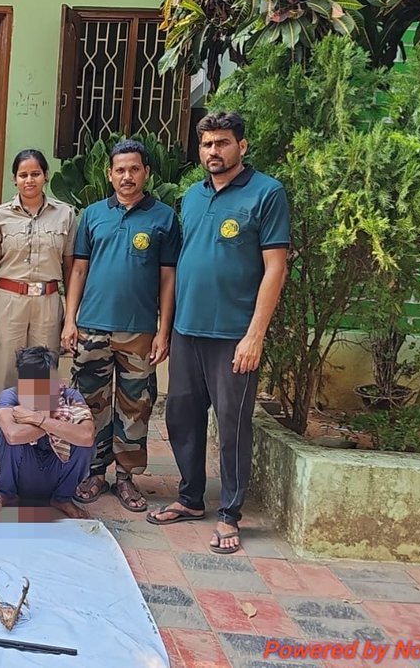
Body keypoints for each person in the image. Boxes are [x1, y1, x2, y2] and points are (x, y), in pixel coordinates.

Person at [147, 112, 289, 555]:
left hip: (233, 335)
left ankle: (229, 514)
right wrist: (166, 329)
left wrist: (255, 336)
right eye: (207, 144)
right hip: (188, 330)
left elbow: (275, 268)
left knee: (231, 426)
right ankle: (190, 499)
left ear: (241, 147)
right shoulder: (192, 196)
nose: (213, 151)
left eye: (223, 143)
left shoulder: (267, 193)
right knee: (181, 418)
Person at [60, 139, 180, 512]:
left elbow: (168, 278)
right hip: (92, 327)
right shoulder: (93, 215)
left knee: (135, 406)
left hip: (139, 331)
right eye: (120, 169)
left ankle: (126, 478)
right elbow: (78, 269)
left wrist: (163, 331)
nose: (127, 176)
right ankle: (93, 471)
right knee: (90, 403)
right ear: (109, 174)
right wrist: (70, 320)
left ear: (146, 172)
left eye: (134, 169)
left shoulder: (163, 218)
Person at [0, 149, 76, 485]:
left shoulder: (65, 215)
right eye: (23, 175)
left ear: (45, 176)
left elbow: (69, 268)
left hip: (48, 302)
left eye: (35, 174)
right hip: (9, 302)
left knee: (43, 382)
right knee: (6, 380)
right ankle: (0, 453)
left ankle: (39, 451)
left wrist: (69, 318)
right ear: (14, 179)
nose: (29, 180)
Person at [0, 346, 94, 519]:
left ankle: (62, 499)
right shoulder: (10, 396)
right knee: (4, 435)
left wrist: (39, 418)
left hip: (57, 472)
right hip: (25, 472)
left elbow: (86, 436)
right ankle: (6, 495)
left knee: (84, 443)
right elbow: (13, 435)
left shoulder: (71, 396)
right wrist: (60, 422)